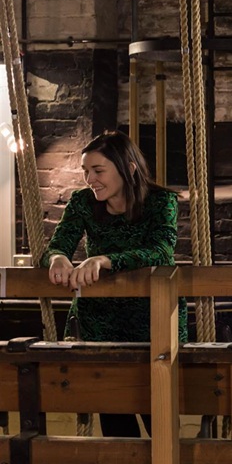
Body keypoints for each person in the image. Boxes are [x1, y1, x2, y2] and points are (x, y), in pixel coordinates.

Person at [41, 130, 187, 438]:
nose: (90, 179)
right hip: (100, 323)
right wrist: (57, 259)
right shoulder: (83, 202)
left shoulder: (161, 201)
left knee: (160, 421)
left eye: (97, 170)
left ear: (128, 168)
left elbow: (161, 250)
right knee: (115, 422)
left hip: (152, 322)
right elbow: (58, 244)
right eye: (85, 171)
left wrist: (103, 260)